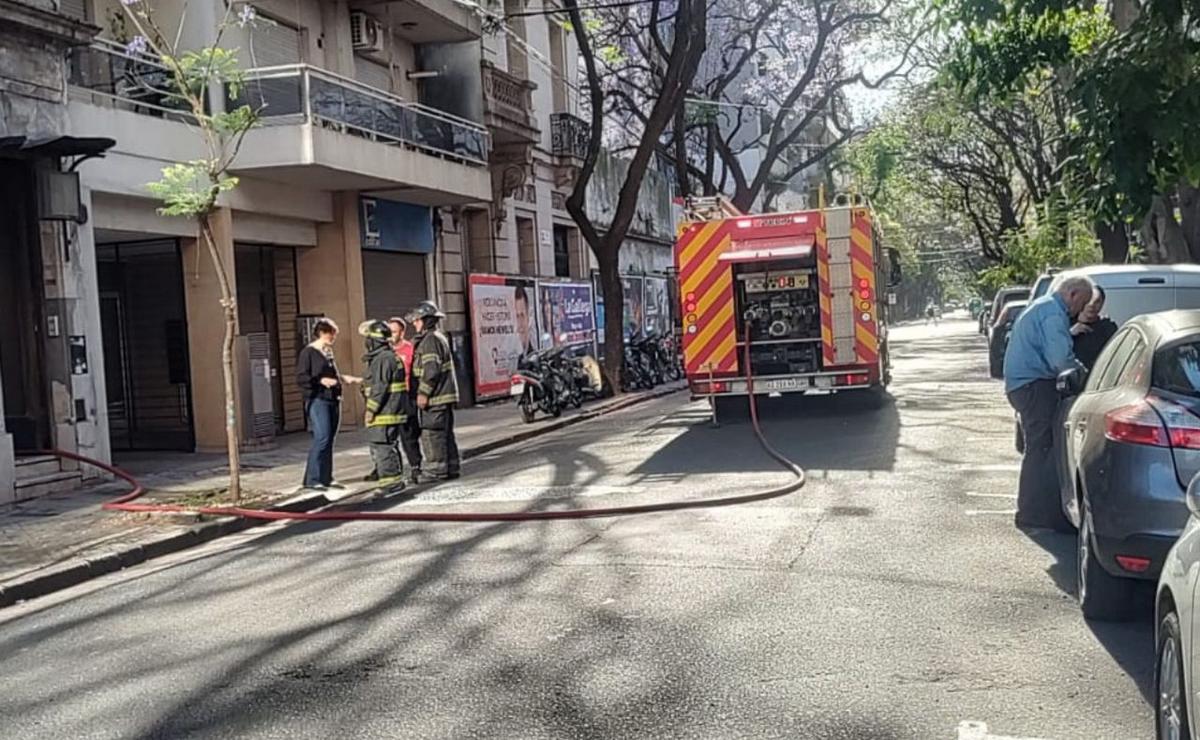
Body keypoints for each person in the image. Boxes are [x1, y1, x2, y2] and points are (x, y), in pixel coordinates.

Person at [1003, 275, 1095, 529]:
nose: (1079, 311)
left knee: (1040, 448)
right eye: (1082, 303)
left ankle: (1035, 510)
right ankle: (1034, 513)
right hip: (1034, 386)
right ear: (1072, 294)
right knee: (1041, 449)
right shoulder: (1053, 313)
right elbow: (1060, 360)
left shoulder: (1043, 306)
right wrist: (1087, 376)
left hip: (1024, 384)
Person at [296, 318, 361, 491]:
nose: (334, 337)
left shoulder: (328, 352)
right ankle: (312, 479)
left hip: (333, 398)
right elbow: (302, 377)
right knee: (322, 437)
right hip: (318, 399)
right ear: (322, 333)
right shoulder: (309, 353)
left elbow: (331, 374)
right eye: (332, 334)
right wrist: (320, 381)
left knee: (330, 438)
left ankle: (326, 477)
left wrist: (343, 378)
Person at [408, 300, 461, 481]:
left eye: (417, 320)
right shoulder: (437, 337)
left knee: (432, 434)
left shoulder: (430, 340)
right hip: (443, 397)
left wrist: (423, 393)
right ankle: (451, 467)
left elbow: (431, 370)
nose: (414, 323)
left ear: (426, 320)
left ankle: (435, 470)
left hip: (436, 398)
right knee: (445, 434)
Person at [360, 319, 408, 491]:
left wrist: (370, 410)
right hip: (390, 409)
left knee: (383, 446)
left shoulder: (383, 358)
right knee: (389, 445)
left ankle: (391, 484)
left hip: (384, 411)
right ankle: (395, 481)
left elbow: (379, 388)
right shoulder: (388, 356)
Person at [389, 316, 423, 484]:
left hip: (407, 397)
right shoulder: (385, 351)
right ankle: (390, 468)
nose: (391, 335)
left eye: (394, 332)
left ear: (402, 332)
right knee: (388, 436)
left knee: (408, 434)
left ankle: (415, 466)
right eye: (389, 332)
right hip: (389, 399)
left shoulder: (410, 349)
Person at [1070, 285, 1119, 371]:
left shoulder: (1108, 328)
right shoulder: (1065, 324)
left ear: (1102, 304)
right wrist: (1070, 334)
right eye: (1088, 300)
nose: (1091, 305)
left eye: (1097, 302)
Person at [514, 285, 535, 358]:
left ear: (528, 317)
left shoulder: (534, 354)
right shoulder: (518, 358)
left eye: (522, 315)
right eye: (517, 316)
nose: (520, 323)